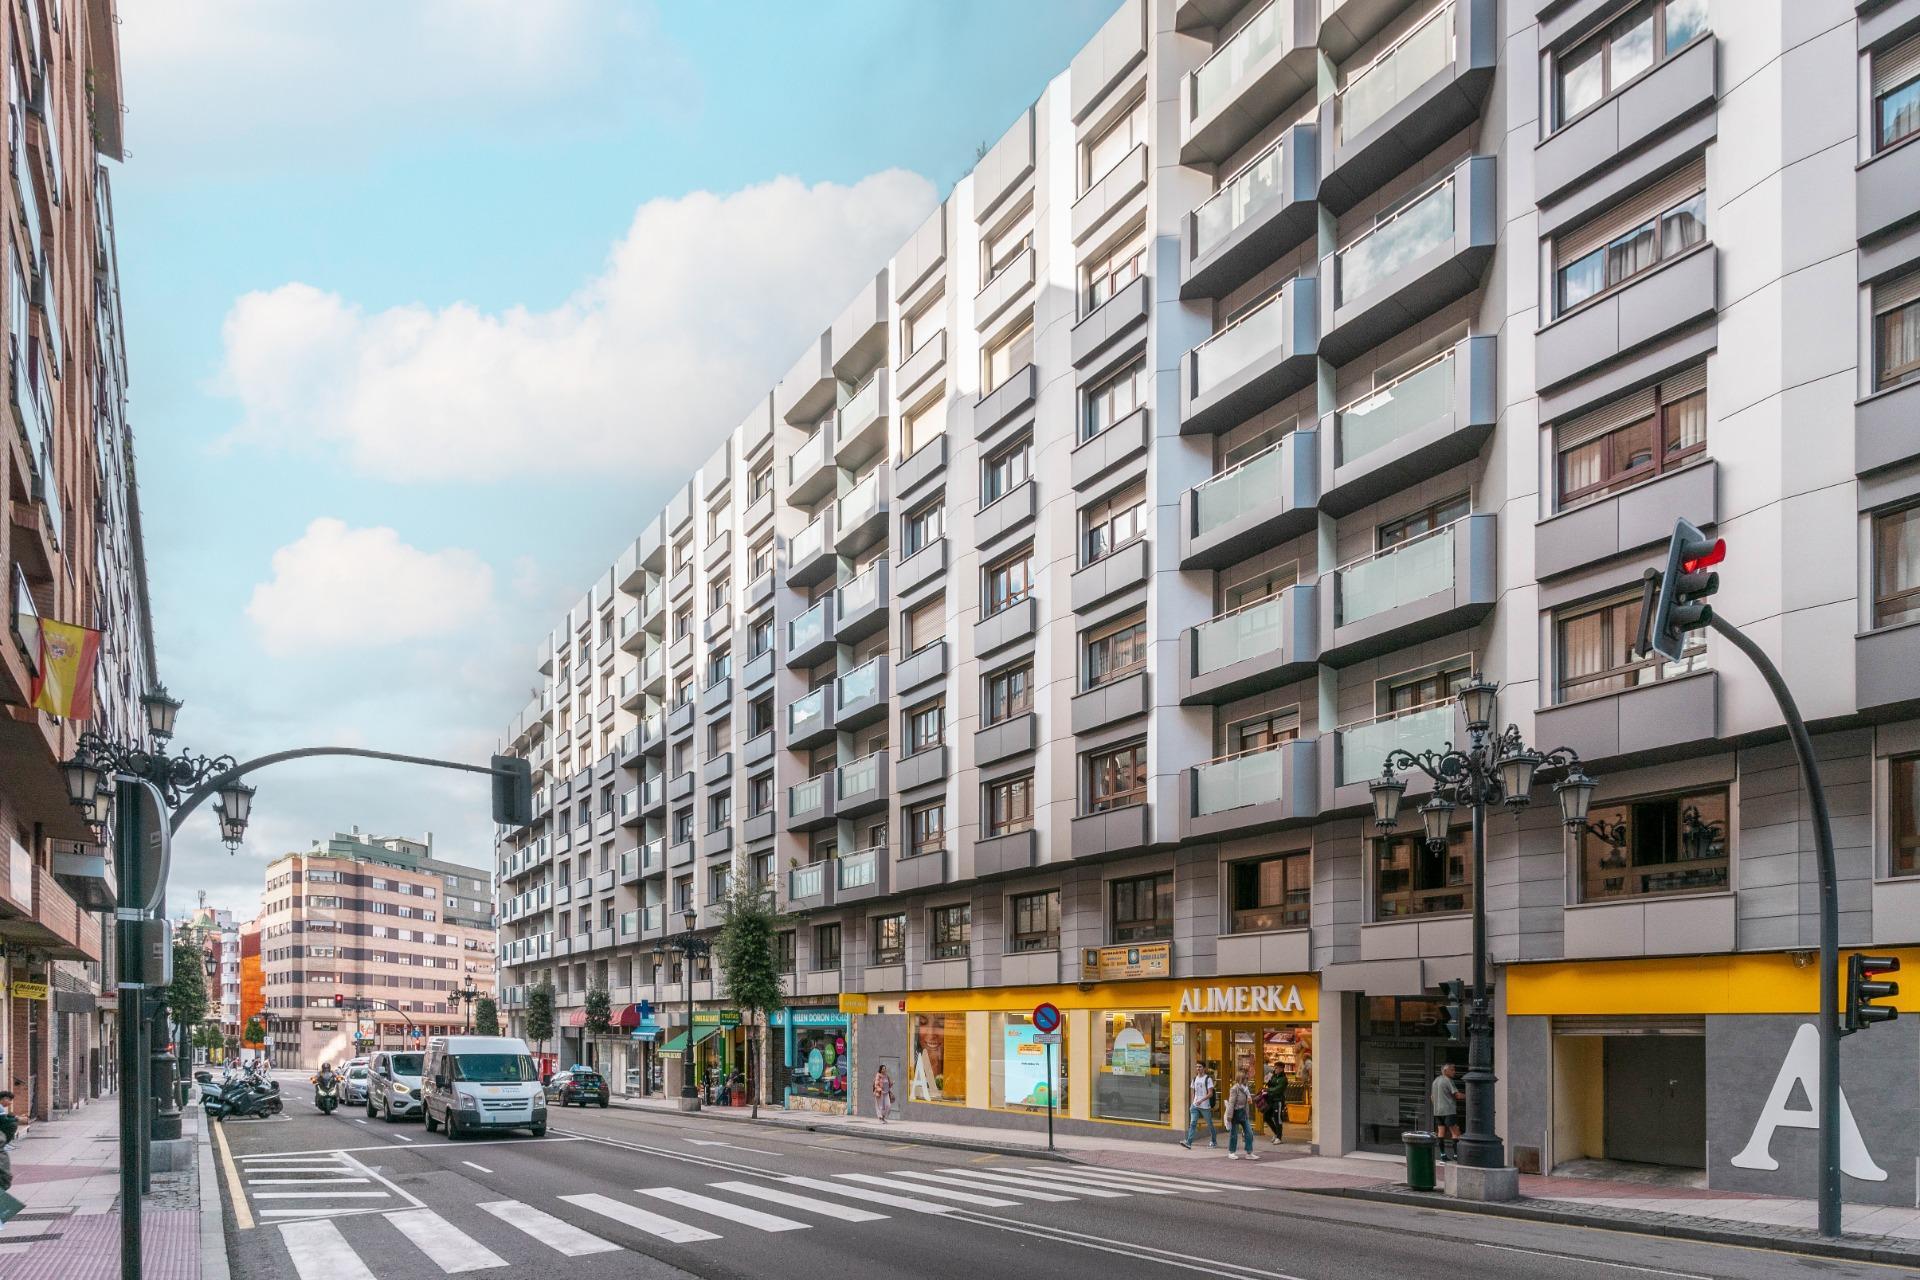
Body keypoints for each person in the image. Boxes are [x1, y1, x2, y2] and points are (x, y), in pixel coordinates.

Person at [1179, 1062, 1217, 1149]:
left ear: (1204, 1068)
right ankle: (1189, 1142)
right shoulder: (1194, 1079)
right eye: (1197, 1067)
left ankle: (1214, 1141)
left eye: (1200, 1067)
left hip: (1205, 1106)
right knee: (1192, 1123)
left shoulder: (1208, 1079)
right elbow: (1193, 1092)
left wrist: (1201, 1100)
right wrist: (1193, 1101)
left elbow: (1210, 1093)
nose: (1198, 1069)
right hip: (1195, 1105)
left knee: (1209, 1124)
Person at [1225, 1070, 1261, 1160]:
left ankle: (1249, 1153)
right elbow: (1231, 1103)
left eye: (1247, 1078)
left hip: (1243, 1113)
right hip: (1235, 1113)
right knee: (1234, 1134)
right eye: (1246, 1078)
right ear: (1240, 1079)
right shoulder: (1235, 1089)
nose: (1247, 1079)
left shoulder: (1246, 1088)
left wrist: (1249, 1100)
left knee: (1249, 1133)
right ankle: (1231, 1152)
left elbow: (1246, 1103)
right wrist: (1229, 1117)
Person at [1431, 1062, 1463, 1160]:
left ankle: (1442, 1155)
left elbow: (1432, 1097)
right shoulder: (1448, 1080)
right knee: (1456, 1132)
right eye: (1452, 1070)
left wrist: (1437, 1105)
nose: (1454, 1072)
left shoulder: (1435, 1081)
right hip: (1449, 1110)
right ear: (1445, 1071)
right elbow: (1457, 1095)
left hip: (1437, 1111)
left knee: (1441, 1132)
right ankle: (1457, 1155)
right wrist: (1468, 1096)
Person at [1262, 1062, 1288, 1144]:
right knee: (1266, 1117)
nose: (1274, 1069)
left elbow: (1278, 1089)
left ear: (1281, 1069)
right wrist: (1267, 1079)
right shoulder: (1273, 1076)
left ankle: (1279, 1138)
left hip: (1278, 1100)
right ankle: (1276, 1133)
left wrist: (1268, 1090)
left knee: (1278, 1119)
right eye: (1274, 1067)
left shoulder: (1283, 1079)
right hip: (1270, 1100)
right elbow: (1268, 1084)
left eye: (1276, 1068)